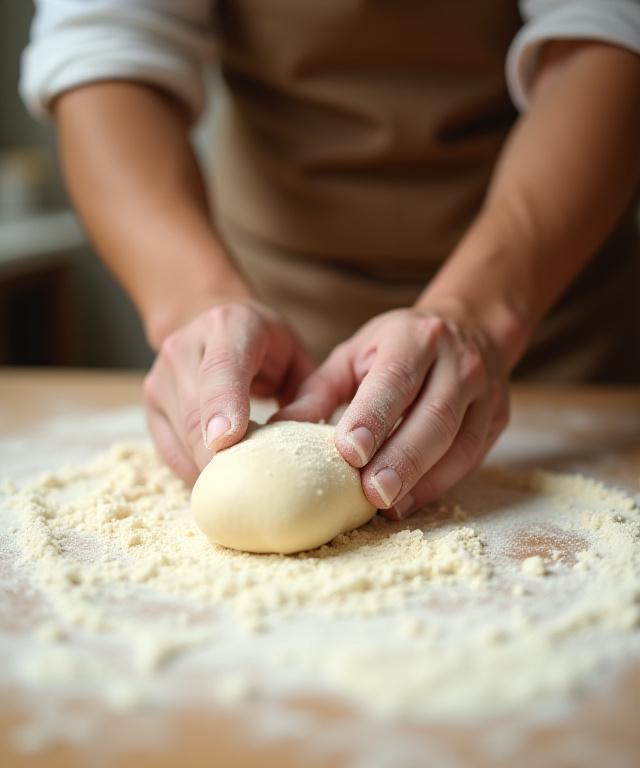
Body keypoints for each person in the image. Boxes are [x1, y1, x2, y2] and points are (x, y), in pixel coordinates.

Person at [21, 1, 640, 520]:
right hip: (274, 274)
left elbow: (608, 36)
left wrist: (481, 310)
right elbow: (106, 46)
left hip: (546, 295)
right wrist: (193, 298)